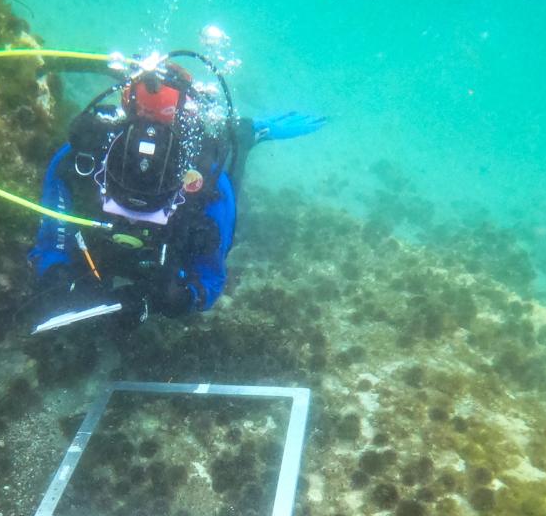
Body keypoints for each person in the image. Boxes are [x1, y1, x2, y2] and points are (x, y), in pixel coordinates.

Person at [27, 51, 324, 331]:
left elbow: (210, 279)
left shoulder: (205, 182)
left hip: (170, 258)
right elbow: (51, 242)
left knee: (231, 183)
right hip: (101, 247)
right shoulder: (79, 161)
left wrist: (170, 297)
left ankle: (246, 134)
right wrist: (61, 278)